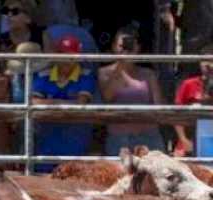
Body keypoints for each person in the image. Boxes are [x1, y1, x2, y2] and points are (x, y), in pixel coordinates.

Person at [30, 34, 96, 172]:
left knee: (73, 181)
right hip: (47, 140)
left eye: (72, 55)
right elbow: (33, 102)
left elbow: (81, 103)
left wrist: (48, 102)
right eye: (63, 54)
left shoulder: (86, 74)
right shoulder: (44, 74)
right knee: (43, 182)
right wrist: (66, 102)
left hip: (75, 139)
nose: (67, 59)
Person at [97, 25, 165, 155]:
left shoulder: (148, 74)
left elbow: (159, 107)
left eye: (130, 45)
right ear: (113, 47)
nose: (126, 49)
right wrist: (121, 67)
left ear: (138, 48)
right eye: (122, 46)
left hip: (149, 137)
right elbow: (107, 98)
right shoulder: (104, 73)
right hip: (119, 139)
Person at [174, 43, 213, 156]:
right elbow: (177, 114)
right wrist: (183, 140)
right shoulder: (188, 84)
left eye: (212, 61)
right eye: (205, 61)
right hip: (191, 139)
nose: (208, 65)